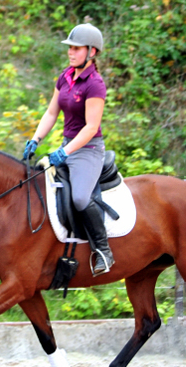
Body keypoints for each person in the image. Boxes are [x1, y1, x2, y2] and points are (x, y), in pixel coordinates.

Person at [23, 23, 114, 276]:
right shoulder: (65, 76)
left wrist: (65, 152)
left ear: (92, 52)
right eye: (70, 48)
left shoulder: (95, 84)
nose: (71, 52)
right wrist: (36, 139)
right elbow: (52, 112)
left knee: (80, 198)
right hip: (67, 145)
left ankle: (104, 251)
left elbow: (90, 127)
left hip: (88, 149)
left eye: (76, 48)